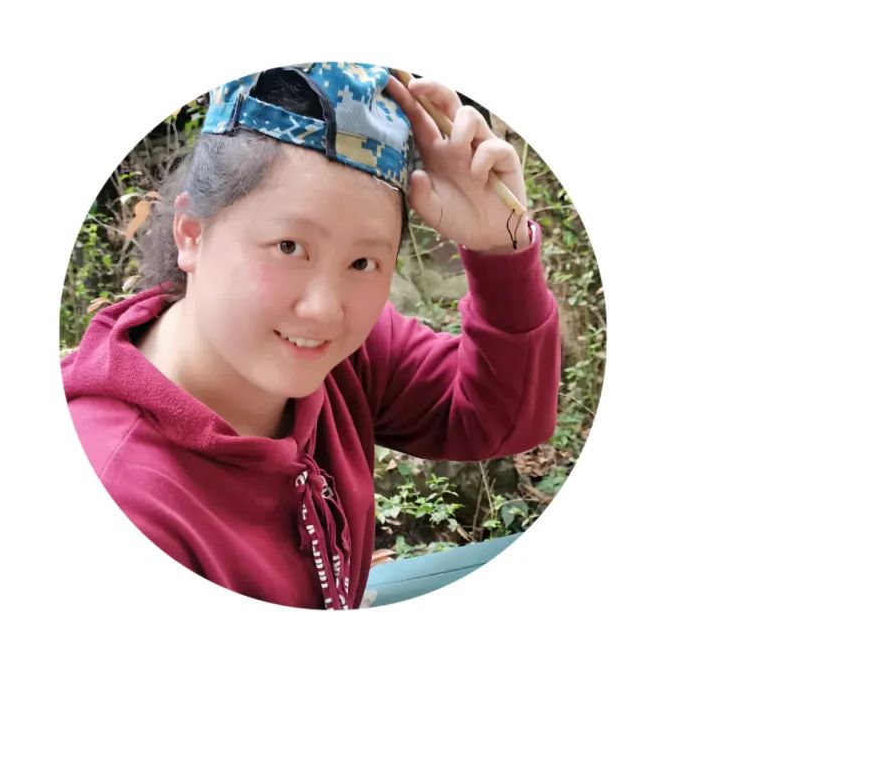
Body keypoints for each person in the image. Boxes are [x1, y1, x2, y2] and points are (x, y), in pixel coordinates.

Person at [61, 62, 561, 610]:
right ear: (192, 234)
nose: (323, 310)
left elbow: (499, 418)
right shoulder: (125, 496)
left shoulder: (342, 357)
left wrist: (500, 246)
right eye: (289, 247)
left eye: (363, 262)